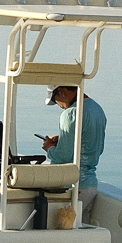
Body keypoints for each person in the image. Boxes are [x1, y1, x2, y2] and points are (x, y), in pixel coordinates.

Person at [40, 84, 106, 224]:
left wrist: (49, 148)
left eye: (55, 99)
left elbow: (63, 156)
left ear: (62, 92)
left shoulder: (70, 114)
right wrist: (63, 139)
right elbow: (96, 147)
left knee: (61, 231)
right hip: (90, 185)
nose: (58, 105)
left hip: (72, 187)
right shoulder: (97, 109)